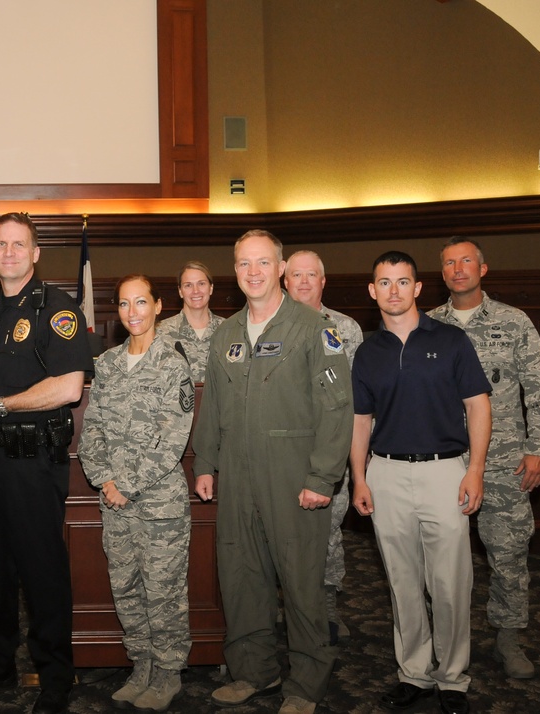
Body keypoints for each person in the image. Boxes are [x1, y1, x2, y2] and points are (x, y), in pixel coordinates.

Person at [192, 229, 353, 714]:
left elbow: (337, 407)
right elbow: (213, 407)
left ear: (281, 268)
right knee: (241, 578)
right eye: (244, 264)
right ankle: (253, 672)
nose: (254, 272)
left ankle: (306, 682)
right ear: (235, 271)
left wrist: (322, 478)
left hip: (293, 478)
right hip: (237, 479)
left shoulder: (313, 329)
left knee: (302, 583)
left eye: (263, 263)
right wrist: (206, 462)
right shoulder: (225, 334)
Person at [0, 212, 93, 714]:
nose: (9, 252)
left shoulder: (57, 309)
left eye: (19, 245)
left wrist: (4, 405)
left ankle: (56, 673)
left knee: (41, 569)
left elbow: (68, 386)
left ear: (35, 254)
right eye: (1, 245)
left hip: (34, 460)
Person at [350, 251, 491, 714]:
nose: (393, 290)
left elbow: (478, 407)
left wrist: (475, 470)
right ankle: (413, 672)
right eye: (384, 282)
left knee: (450, 583)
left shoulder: (452, 340)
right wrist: (359, 478)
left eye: (402, 281)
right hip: (385, 473)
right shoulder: (367, 352)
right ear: (373, 291)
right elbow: (360, 421)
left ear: (417, 288)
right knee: (402, 582)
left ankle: (452, 679)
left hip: (445, 471)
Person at [428, 237, 540, 679]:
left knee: (507, 551)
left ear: (482, 269)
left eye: (466, 260)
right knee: (439, 557)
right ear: (442, 272)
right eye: (449, 263)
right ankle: (443, 636)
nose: (458, 268)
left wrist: (539, 448)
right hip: (442, 461)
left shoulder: (513, 321)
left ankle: (509, 636)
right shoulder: (427, 325)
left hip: (505, 461)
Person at [78, 275, 195, 712]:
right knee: (126, 588)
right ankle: (141, 665)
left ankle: (168, 673)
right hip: (114, 503)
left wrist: (125, 484)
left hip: (159, 504)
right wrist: (105, 479)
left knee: (163, 592)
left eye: (141, 302)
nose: (133, 312)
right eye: (125, 304)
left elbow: (172, 439)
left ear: (159, 306)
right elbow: (91, 430)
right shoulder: (106, 363)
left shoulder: (172, 363)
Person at [283, 249, 363, 644]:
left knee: (328, 533)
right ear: (284, 281)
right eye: (295, 275)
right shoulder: (267, 326)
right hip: (281, 453)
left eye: (310, 275)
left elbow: (359, 401)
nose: (302, 282)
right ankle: (285, 607)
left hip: (331, 455)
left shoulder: (346, 329)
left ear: (323, 280)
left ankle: (326, 607)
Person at [156, 260, 224, 382]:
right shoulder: (161, 332)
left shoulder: (228, 329)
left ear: (211, 288)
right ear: (180, 291)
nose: (195, 290)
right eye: (188, 285)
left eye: (201, 284)